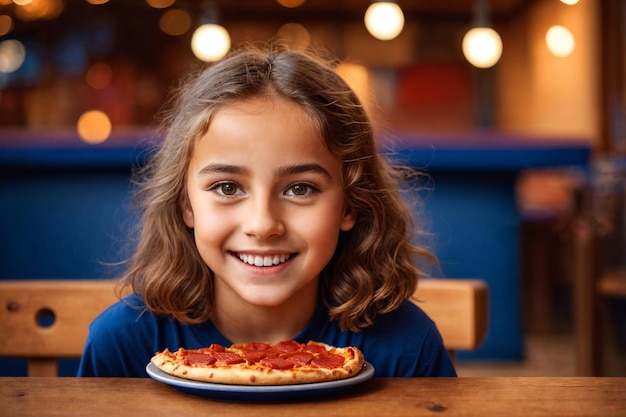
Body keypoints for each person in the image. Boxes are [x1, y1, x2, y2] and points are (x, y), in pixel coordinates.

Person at [78, 44, 456, 378]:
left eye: (300, 188)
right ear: (185, 204)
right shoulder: (121, 344)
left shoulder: (408, 346)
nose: (262, 225)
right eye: (227, 188)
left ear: (351, 203)